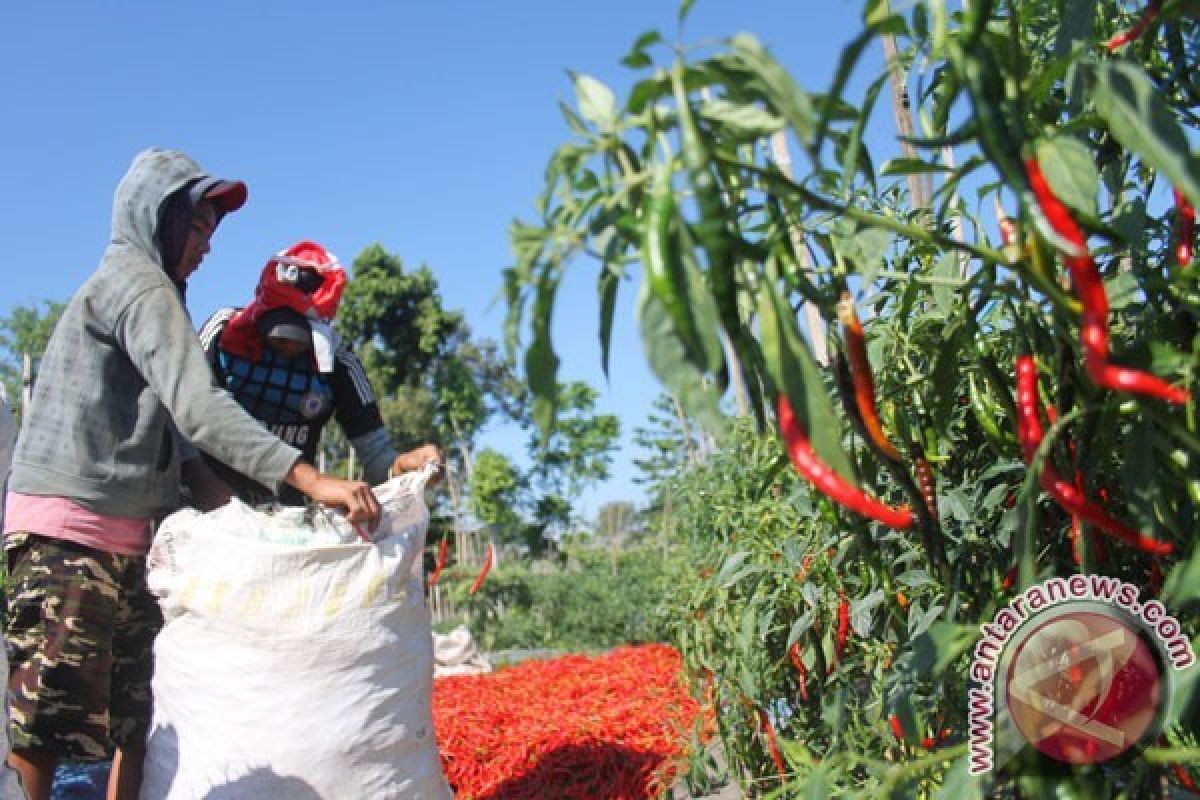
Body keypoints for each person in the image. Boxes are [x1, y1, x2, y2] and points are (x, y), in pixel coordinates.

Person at [2, 148, 381, 800]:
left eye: (213, 231)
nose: (207, 245)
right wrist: (310, 480)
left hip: (127, 536)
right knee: (50, 717)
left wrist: (246, 524)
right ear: (157, 217)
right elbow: (202, 409)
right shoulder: (136, 284)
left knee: (135, 713)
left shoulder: (160, 299)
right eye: (199, 227)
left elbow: (178, 440)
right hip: (70, 531)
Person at [195, 240, 441, 507]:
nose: (288, 347)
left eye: (301, 339)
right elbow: (180, 410)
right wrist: (202, 488)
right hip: (204, 507)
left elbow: (378, 463)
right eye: (279, 337)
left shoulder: (339, 363)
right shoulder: (222, 335)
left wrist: (405, 467)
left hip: (285, 520)